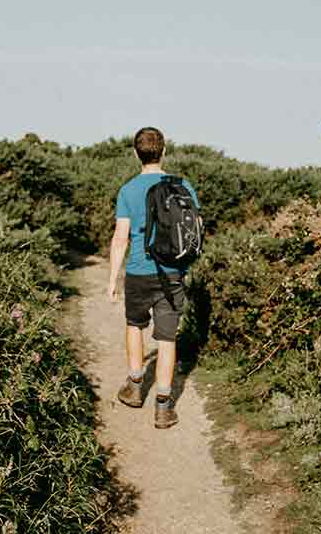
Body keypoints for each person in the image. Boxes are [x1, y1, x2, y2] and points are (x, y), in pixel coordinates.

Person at [107, 126, 199, 429]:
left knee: (135, 325)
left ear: (136, 153)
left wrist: (112, 280)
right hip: (172, 271)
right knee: (167, 338)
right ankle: (163, 406)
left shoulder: (128, 190)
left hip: (138, 271)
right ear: (164, 151)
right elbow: (193, 228)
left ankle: (135, 387)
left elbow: (120, 238)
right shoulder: (183, 184)